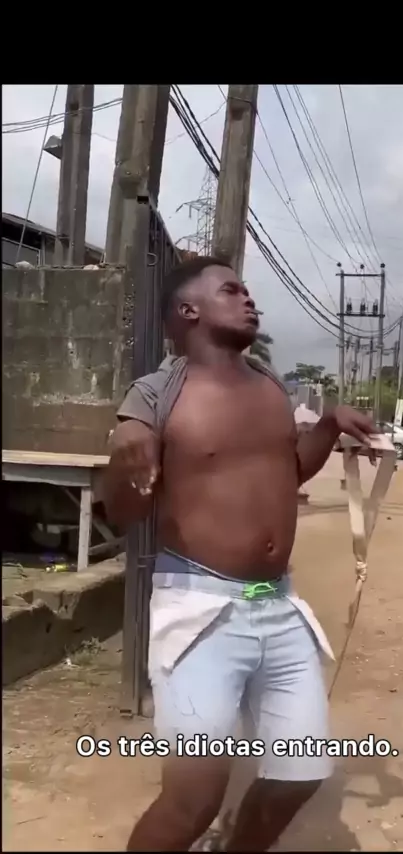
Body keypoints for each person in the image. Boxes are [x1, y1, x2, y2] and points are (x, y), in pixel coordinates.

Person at [104, 256, 378, 852]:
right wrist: (125, 460)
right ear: (188, 310)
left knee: (299, 774)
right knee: (194, 798)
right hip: (199, 612)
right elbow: (123, 510)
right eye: (231, 290)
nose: (248, 299)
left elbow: (289, 470)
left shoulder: (270, 386)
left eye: (247, 291)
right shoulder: (156, 393)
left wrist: (330, 424)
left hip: (279, 606)